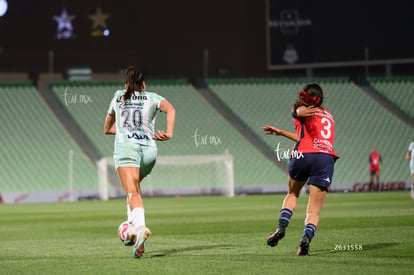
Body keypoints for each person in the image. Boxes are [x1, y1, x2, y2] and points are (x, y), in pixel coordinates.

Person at [104, 66, 175, 259]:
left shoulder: (118, 96)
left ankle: (139, 228)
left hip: (127, 149)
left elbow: (107, 128)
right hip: (150, 150)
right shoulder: (152, 97)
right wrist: (168, 133)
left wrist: (123, 130)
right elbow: (171, 109)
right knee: (134, 189)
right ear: (143, 85)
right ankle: (132, 227)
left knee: (131, 191)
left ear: (126, 84)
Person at [262, 83, 339, 256]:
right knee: (314, 211)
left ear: (306, 97)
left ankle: (281, 228)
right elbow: (306, 137)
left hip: (303, 154)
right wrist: (281, 132)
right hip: (325, 157)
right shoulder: (328, 115)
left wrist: (296, 112)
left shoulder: (300, 108)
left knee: (293, 194)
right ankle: (305, 240)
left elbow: (297, 113)